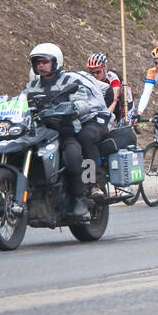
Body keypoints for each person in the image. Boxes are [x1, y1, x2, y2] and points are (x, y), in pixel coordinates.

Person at [26, 43, 110, 222]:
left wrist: (73, 107)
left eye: (44, 61)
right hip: (41, 134)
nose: (40, 65)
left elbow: (82, 102)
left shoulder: (70, 81)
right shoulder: (31, 86)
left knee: (72, 157)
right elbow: (20, 103)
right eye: (37, 62)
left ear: (56, 62)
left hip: (65, 132)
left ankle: (80, 199)